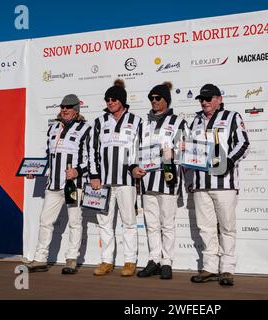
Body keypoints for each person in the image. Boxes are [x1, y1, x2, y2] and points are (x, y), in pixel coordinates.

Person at [188, 84, 249, 286]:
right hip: (200, 184)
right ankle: (210, 267)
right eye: (201, 99)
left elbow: (243, 143)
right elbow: (189, 147)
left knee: (227, 227)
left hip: (224, 183)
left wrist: (228, 162)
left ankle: (227, 270)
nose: (204, 102)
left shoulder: (233, 117)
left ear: (219, 99)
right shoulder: (195, 120)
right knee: (205, 228)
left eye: (208, 98)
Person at [26, 94, 91, 275]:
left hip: (73, 185)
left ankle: (71, 259)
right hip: (53, 185)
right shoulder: (53, 128)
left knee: (75, 222)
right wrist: (35, 170)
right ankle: (40, 259)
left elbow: (92, 158)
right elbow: (48, 156)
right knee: (45, 222)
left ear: (76, 110)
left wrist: (78, 171)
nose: (64, 109)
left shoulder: (86, 129)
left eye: (68, 107)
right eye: (62, 106)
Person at [89, 79, 144, 277]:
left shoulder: (136, 121)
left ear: (122, 100)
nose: (110, 102)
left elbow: (140, 149)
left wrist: (136, 167)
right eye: (107, 99)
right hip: (102, 182)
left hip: (127, 181)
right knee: (104, 222)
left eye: (113, 99)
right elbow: (92, 151)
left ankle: (129, 261)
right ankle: (106, 261)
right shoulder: (99, 122)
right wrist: (94, 175)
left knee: (129, 222)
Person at [136, 82, 188, 280]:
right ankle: (154, 260)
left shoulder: (178, 122)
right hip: (148, 182)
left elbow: (187, 149)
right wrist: (133, 167)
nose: (154, 101)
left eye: (158, 98)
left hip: (168, 181)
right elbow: (134, 150)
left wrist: (173, 152)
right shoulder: (144, 124)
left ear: (166, 99)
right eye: (151, 98)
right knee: (151, 224)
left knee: (167, 224)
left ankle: (167, 262)